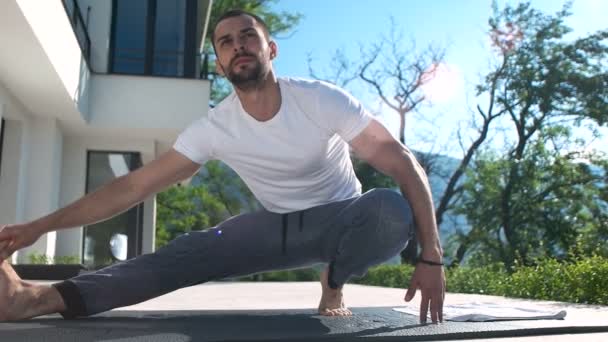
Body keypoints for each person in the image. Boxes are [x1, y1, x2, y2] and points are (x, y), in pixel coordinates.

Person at [0, 9, 445, 323]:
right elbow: (131, 188)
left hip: (342, 220)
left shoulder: (320, 99)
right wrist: (40, 225)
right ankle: (35, 299)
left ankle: (335, 278)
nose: (239, 46)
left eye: (248, 36)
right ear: (219, 62)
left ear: (270, 48)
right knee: (183, 254)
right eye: (226, 42)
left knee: (390, 208)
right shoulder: (215, 127)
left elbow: (402, 162)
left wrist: (432, 258)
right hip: (275, 228)